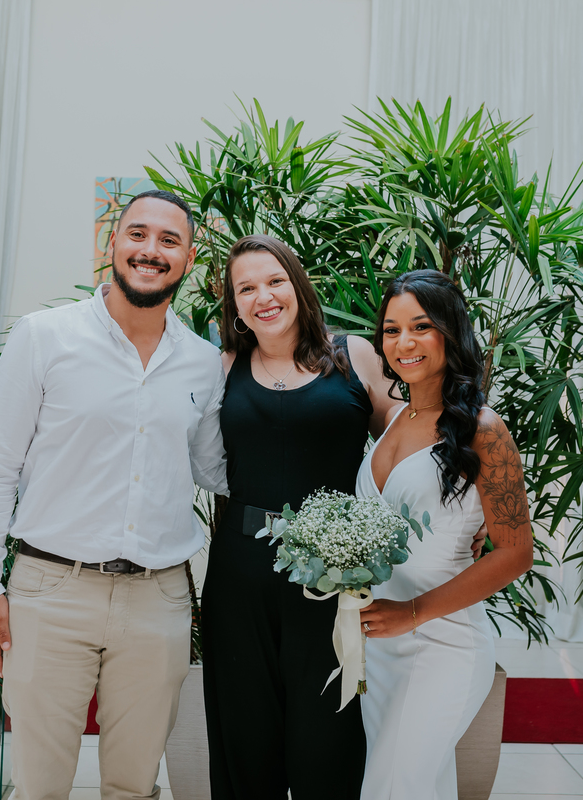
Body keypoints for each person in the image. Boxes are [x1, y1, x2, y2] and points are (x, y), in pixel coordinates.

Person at [0, 189, 227, 800]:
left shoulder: (203, 363)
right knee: (40, 786)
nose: (150, 250)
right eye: (138, 234)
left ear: (188, 259)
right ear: (112, 243)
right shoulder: (43, 337)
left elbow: (218, 471)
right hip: (51, 591)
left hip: (159, 597)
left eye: (169, 241)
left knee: (135, 785)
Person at [200, 234, 400, 800]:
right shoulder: (223, 367)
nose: (263, 296)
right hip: (240, 577)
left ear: (297, 284)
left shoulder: (354, 354)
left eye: (274, 281)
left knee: (328, 742)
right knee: (245, 743)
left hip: (332, 577)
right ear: (235, 307)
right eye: (247, 288)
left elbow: (408, 440)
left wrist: (467, 491)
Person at [355, 269, 535, 800]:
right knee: (419, 786)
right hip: (379, 644)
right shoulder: (391, 419)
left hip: (443, 642)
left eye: (420, 327)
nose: (403, 343)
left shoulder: (483, 429)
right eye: (391, 330)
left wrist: (410, 613)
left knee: (392, 785)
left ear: (450, 333)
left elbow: (516, 552)